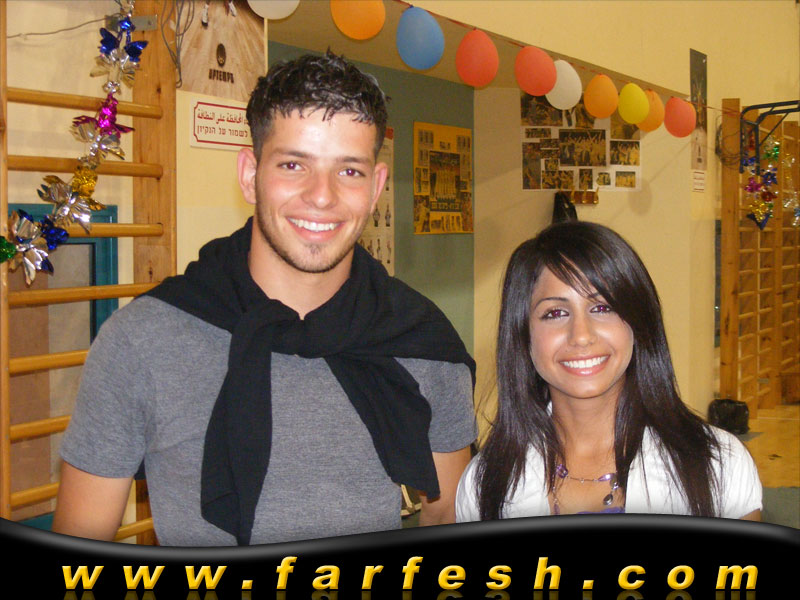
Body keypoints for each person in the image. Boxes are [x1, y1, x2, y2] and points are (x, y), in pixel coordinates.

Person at [53, 51, 477, 546]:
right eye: (293, 164)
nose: (322, 196)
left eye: (349, 171)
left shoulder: (423, 341)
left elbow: (446, 517)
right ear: (250, 174)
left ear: (377, 186)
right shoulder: (142, 342)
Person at [456, 221, 761, 521]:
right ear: (524, 335)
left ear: (638, 323)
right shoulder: (485, 485)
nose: (581, 335)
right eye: (555, 313)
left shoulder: (719, 464)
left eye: (602, 308)